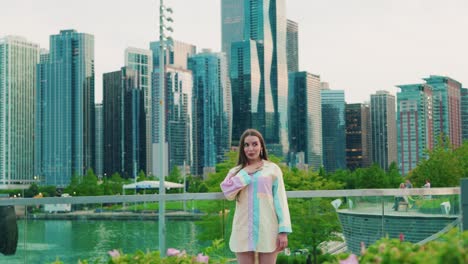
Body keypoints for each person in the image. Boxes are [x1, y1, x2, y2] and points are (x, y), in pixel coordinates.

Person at [220, 129, 292, 264]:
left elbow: (280, 201)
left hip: (268, 228)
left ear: (261, 147)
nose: (250, 148)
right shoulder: (236, 171)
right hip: (243, 229)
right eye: (246, 145)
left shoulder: (273, 169)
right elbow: (228, 192)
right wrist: (245, 172)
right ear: (242, 148)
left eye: (254, 144)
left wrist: (283, 231)